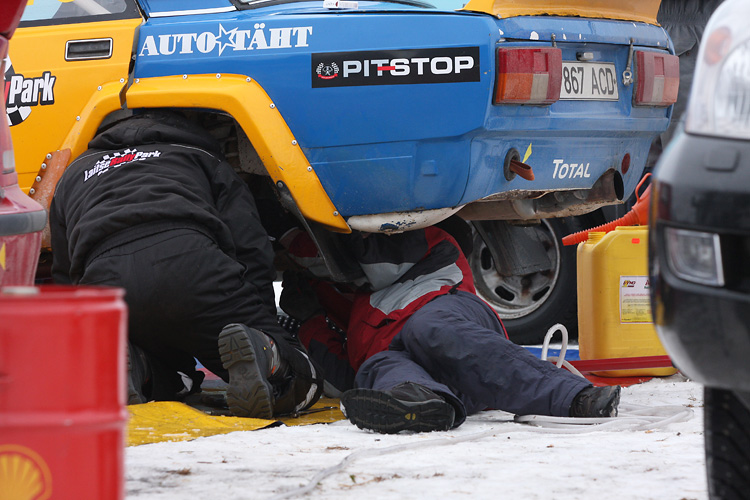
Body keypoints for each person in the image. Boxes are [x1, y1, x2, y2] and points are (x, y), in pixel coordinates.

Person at [49, 110, 322, 418]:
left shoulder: (72, 175)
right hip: (192, 269)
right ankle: (269, 358)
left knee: (174, 374)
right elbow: (250, 244)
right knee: (302, 376)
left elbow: (64, 273)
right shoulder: (202, 156)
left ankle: (139, 366)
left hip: (107, 288)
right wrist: (260, 324)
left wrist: (91, 336)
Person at [279, 223, 620, 434]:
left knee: (427, 330)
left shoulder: (424, 239)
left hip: (451, 323)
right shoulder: (334, 302)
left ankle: (576, 398)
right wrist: (310, 321)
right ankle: (425, 404)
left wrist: (286, 238)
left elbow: (373, 260)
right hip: (454, 386)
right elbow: (347, 377)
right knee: (378, 366)